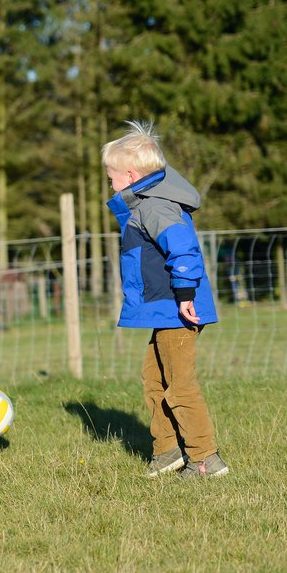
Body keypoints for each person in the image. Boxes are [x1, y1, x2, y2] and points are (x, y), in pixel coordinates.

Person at [103, 121, 228, 479]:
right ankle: (167, 451)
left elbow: (184, 251)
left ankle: (205, 459)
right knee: (153, 379)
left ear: (129, 175)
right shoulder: (146, 205)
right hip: (166, 310)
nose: (109, 183)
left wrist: (186, 295)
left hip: (178, 309)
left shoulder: (156, 207)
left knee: (178, 385)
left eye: (111, 177)